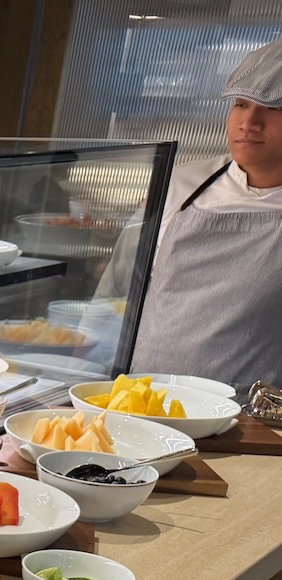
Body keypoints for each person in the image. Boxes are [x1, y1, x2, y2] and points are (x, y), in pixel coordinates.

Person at [128, 37, 282, 387]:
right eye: (241, 104)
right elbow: (122, 293)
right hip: (140, 404)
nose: (249, 122)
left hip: (249, 427)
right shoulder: (178, 187)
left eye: (274, 109)